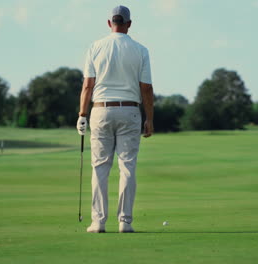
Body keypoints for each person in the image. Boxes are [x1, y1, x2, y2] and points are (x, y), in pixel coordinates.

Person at [77, 5, 154, 233]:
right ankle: (125, 222)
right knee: (127, 167)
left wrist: (82, 114)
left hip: (100, 110)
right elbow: (146, 88)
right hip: (130, 110)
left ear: (109, 23)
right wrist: (149, 118)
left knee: (100, 167)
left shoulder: (95, 47)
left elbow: (87, 85)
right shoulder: (141, 50)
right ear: (129, 24)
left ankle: (98, 222)